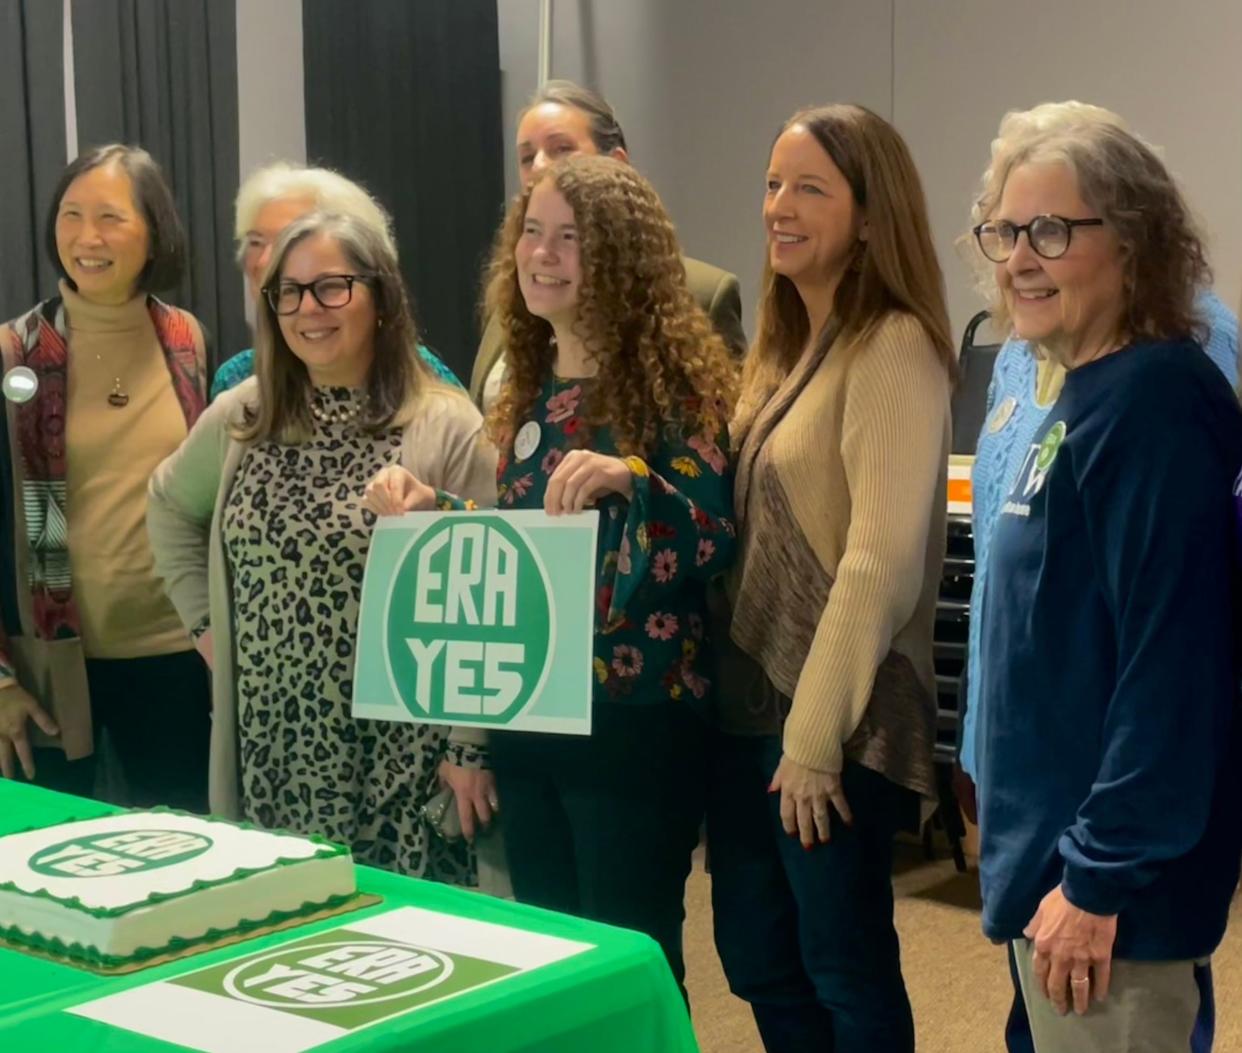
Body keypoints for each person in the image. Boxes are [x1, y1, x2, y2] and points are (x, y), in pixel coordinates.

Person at [373, 154, 737, 988]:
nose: (542, 253)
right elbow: (526, 554)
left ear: (620, 257)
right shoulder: (529, 391)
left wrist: (632, 479)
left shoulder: (677, 384)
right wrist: (434, 514)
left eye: (570, 238)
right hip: (533, 711)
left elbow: (715, 536)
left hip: (633, 724)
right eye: (532, 232)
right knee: (550, 959)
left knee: (628, 960)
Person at [957, 100, 1235, 1053]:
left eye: (1050, 230)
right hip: (1054, 878)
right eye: (1003, 230)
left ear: (1132, 241)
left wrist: (1096, 876)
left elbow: (1173, 668)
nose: (1017, 258)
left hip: (1111, 902)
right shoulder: (1079, 388)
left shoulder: (1154, 405)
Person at [707, 104, 954, 1053]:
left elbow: (879, 563)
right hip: (749, 713)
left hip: (834, 726)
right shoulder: (782, 345)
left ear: (869, 212)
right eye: (773, 182)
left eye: (810, 187)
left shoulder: (892, 342)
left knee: (844, 968)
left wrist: (810, 742)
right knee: (760, 957)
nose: (780, 205)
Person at [147, 211, 496, 881]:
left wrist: (469, 746)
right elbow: (165, 506)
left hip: (401, 754)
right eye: (290, 290)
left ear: (382, 298)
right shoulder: (242, 416)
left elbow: (490, 587)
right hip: (272, 748)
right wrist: (204, 624)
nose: (309, 308)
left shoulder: (446, 424)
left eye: (332, 287)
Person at [0, 144, 211, 811]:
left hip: (180, 657)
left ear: (154, 233)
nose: (87, 237)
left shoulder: (186, 339)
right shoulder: (16, 354)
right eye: (71, 214)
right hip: (51, 671)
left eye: (111, 218)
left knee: (183, 866)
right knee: (47, 875)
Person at [468, 79, 746, 411]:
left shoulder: (701, 294)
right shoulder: (514, 293)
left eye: (561, 149)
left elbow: (726, 441)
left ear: (616, 162)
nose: (540, 166)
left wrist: (638, 467)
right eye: (527, 157)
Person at [211, 161, 461, 398]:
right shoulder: (236, 382)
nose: (265, 261)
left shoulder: (425, 381)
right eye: (256, 242)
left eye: (288, 240)